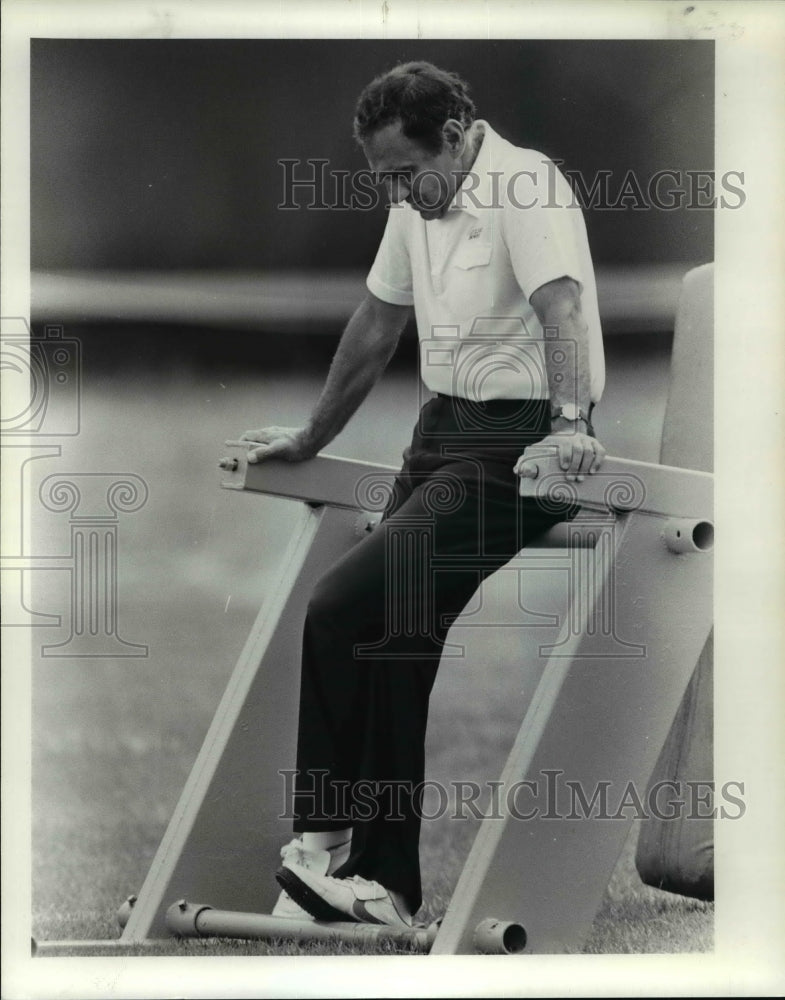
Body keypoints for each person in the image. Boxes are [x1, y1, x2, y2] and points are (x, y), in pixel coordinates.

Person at [238, 61, 606, 928]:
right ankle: (385, 889)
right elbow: (376, 323)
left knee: (338, 606)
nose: (399, 192)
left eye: (406, 172)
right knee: (393, 638)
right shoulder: (416, 201)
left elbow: (561, 308)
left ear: (453, 136)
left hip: (516, 445)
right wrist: (311, 438)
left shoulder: (525, 183)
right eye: (382, 179)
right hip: (440, 433)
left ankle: (321, 845)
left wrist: (567, 424)